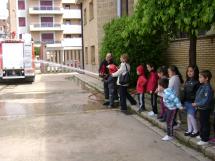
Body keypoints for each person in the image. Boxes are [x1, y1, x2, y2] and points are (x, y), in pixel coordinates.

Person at [192, 70, 213, 145]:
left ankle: (205, 139)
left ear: (206, 78)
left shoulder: (208, 88)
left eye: (200, 77)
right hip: (201, 108)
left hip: (205, 109)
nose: (199, 79)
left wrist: (196, 104)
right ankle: (201, 135)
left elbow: (205, 101)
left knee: (205, 123)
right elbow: (199, 96)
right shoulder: (202, 86)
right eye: (199, 77)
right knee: (201, 122)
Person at [183, 65, 200, 137]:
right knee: (188, 116)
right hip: (186, 101)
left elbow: (198, 94)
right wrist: (183, 101)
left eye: (191, 71)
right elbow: (185, 92)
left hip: (192, 102)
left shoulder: (197, 82)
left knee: (191, 116)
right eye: (188, 71)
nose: (189, 73)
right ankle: (190, 129)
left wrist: (196, 103)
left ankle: (196, 130)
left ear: (195, 72)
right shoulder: (187, 81)